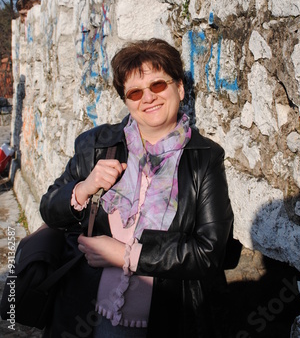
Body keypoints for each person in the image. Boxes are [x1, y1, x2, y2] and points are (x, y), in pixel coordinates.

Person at [40, 38, 233, 338]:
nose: (148, 98)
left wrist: (127, 255)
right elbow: (50, 209)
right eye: (135, 92)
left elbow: (209, 252)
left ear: (179, 89)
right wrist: (85, 187)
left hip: (165, 322)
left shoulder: (204, 158)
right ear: (126, 101)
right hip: (86, 316)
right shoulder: (98, 145)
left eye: (158, 85)